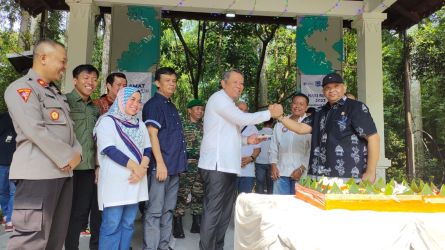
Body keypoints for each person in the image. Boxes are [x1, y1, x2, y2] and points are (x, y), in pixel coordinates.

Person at [4, 39, 82, 249]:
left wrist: (78, 154)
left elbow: (70, 133)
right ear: (43, 58)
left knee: (55, 240)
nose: (65, 66)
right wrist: (69, 157)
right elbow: (34, 129)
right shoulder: (22, 89)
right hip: (37, 177)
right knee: (31, 241)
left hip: (63, 174)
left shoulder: (55, 94)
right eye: (63, 61)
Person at [198, 69, 283, 250]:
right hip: (216, 166)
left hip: (229, 167)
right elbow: (242, 118)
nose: (239, 86)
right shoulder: (219, 99)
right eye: (235, 81)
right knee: (213, 212)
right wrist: (269, 113)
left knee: (224, 213)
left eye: (242, 83)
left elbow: (227, 134)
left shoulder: (228, 103)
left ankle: (218, 247)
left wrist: (247, 140)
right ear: (223, 83)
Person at [279, 72, 380, 182]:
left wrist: (370, 171)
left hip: (348, 176)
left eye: (336, 86)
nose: (331, 90)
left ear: (344, 88)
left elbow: (373, 138)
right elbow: (300, 128)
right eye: (327, 88)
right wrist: (280, 117)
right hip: (319, 176)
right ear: (323, 92)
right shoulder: (319, 111)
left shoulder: (356, 107)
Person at [94, 87, 150, 250]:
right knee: (112, 225)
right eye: (131, 99)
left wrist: (142, 168)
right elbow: (110, 149)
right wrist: (138, 169)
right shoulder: (107, 121)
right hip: (115, 184)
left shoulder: (140, 124)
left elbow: (147, 149)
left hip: (135, 182)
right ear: (121, 99)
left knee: (128, 224)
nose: (136, 104)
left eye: (138, 101)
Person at [142, 67, 187, 250]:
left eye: (174, 81)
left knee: (168, 210)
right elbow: (152, 135)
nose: (172, 84)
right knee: (154, 211)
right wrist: (159, 163)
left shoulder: (171, 105)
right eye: (167, 80)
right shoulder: (154, 105)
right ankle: (151, 247)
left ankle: (164, 245)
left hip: (174, 168)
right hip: (160, 168)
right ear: (157, 83)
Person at [65, 64, 101, 250]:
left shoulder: (94, 109)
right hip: (67, 170)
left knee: (80, 214)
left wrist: (97, 166)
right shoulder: (64, 102)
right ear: (75, 80)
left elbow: (96, 140)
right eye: (86, 78)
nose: (91, 82)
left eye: (94, 79)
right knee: (64, 214)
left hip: (87, 169)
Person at [173, 99, 205, 238]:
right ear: (189, 110)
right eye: (197, 108)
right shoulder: (182, 125)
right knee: (182, 195)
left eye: (201, 109)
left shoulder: (205, 127)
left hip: (201, 165)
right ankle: (177, 225)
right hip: (186, 165)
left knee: (199, 194)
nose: (200, 111)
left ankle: (196, 224)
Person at [270, 94, 311, 195]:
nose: (297, 106)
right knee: (280, 206)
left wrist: (302, 168)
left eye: (301, 104)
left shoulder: (309, 124)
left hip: (301, 174)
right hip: (280, 173)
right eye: (295, 103)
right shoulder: (280, 124)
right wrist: (273, 165)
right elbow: (274, 146)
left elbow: (311, 150)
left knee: (299, 207)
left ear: (306, 107)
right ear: (291, 105)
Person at [237, 102, 261, 194]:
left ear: (247, 112)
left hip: (247, 172)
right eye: (239, 109)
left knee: (244, 200)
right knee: (229, 200)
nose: (241, 112)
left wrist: (250, 159)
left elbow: (257, 149)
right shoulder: (229, 126)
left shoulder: (253, 128)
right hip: (231, 171)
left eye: (244, 110)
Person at [0, 112, 17, 232]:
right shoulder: (3, 117)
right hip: (2, 162)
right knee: (3, 191)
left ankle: (10, 219)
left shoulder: (20, 117)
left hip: (15, 162)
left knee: (13, 191)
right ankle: (7, 215)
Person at [255, 118, 274, 194]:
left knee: (260, 184)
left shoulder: (257, 133)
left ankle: (259, 204)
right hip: (272, 163)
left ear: (263, 122)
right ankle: (270, 203)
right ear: (272, 123)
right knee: (271, 185)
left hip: (259, 162)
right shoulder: (274, 133)